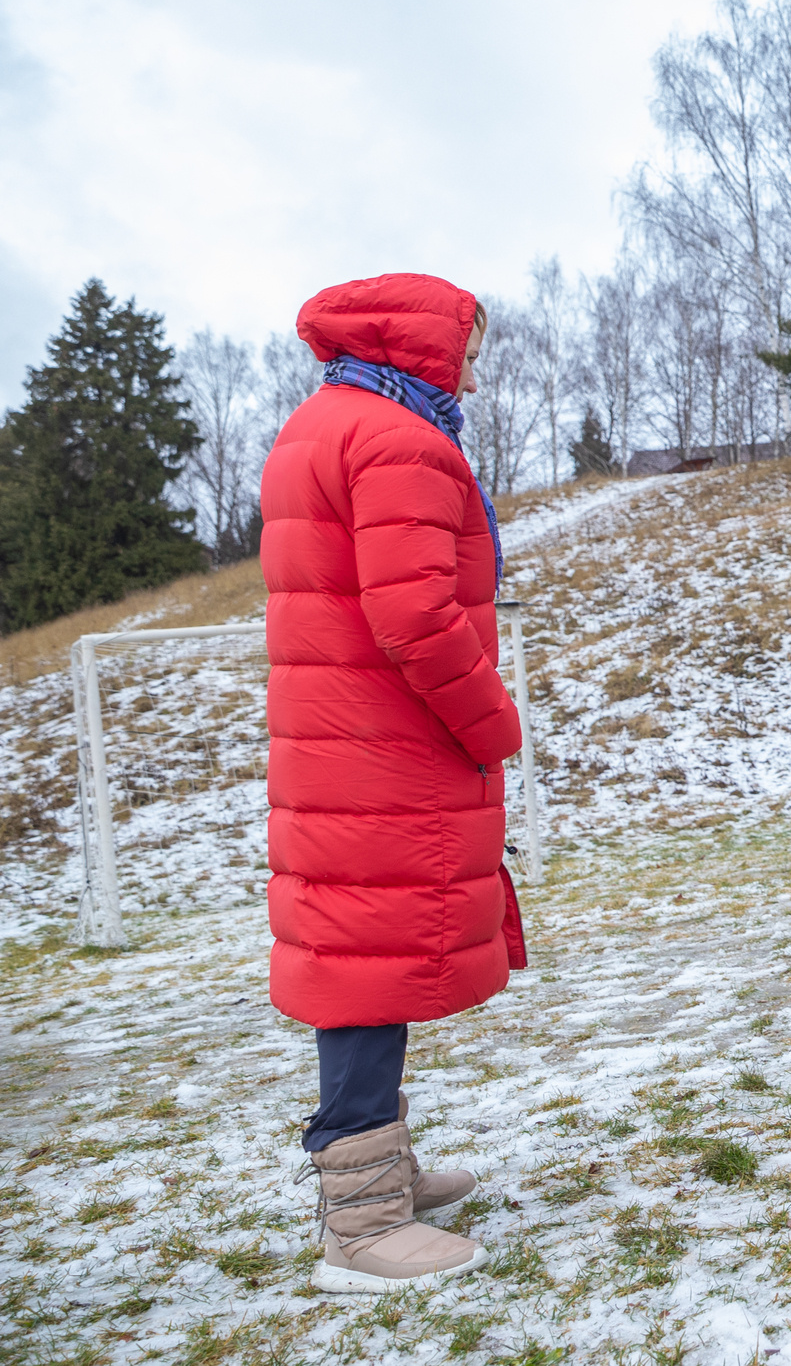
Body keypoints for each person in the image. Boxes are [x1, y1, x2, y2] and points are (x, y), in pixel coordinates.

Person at [262, 273, 523, 1292]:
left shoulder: (325, 422)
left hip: (344, 745)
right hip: (387, 748)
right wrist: (489, 722)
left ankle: (382, 1169)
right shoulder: (401, 439)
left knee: (369, 954)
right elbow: (414, 618)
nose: (474, 367)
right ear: (426, 343)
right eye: (471, 346)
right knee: (367, 969)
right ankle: (360, 1224)